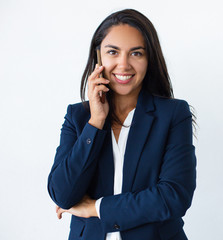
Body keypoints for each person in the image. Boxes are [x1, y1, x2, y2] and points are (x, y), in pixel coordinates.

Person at [47, 9, 196, 240]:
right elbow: (62, 194)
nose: (123, 64)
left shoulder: (174, 115)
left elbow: (174, 196)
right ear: (98, 57)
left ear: (149, 59)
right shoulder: (77, 117)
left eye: (136, 53)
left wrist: (96, 207)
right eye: (113, 52)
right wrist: (95, 123)